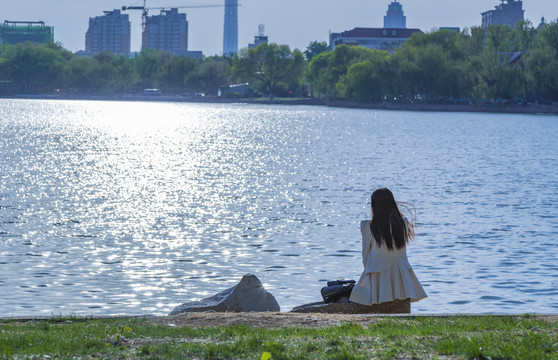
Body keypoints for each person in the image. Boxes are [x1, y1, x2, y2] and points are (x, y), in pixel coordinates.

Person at [349, 188, 427, 305]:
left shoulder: (368, 226)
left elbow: (365, 254)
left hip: (377, 273)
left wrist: (367, 273)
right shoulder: (403, 223)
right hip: (401, 273)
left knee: (354, 295)